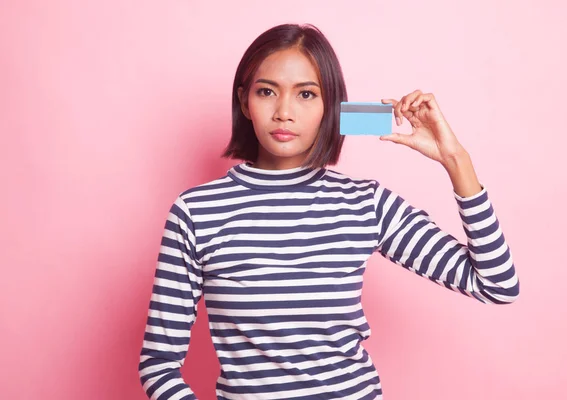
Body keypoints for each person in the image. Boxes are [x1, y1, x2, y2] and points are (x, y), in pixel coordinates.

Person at [138, 23, 519, 400]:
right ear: (244, 101)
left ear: (330, 107)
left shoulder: (364, 203)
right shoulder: (196, 212)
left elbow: (496, 284)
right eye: (267, 91)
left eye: (306, 94)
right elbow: (158, 363)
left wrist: (455, 160)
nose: (284, 112)